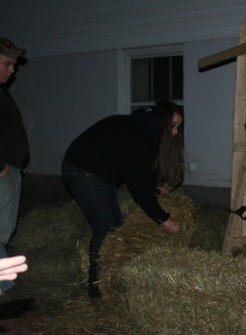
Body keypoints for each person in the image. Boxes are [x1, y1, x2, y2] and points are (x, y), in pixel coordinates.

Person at [61, 100, 184, 298]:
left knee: (117, 226)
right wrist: (163, 218)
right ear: (161, 122)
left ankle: (112, 278)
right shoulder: (139, 136)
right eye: (173, 126)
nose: (176, 132)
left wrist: (156, 186)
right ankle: (95, 288)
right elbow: (137, 187)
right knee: (105, 226)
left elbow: (137, 170)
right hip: (81, 169)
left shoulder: (142, 129)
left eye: (179, 126)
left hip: (99, 172)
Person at [0, 38, 29, 296]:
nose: (13, 70)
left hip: (10, 171)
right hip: (2, 173)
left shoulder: (2, 91)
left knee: (4, 232)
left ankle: (4, 285)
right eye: (8, 64)